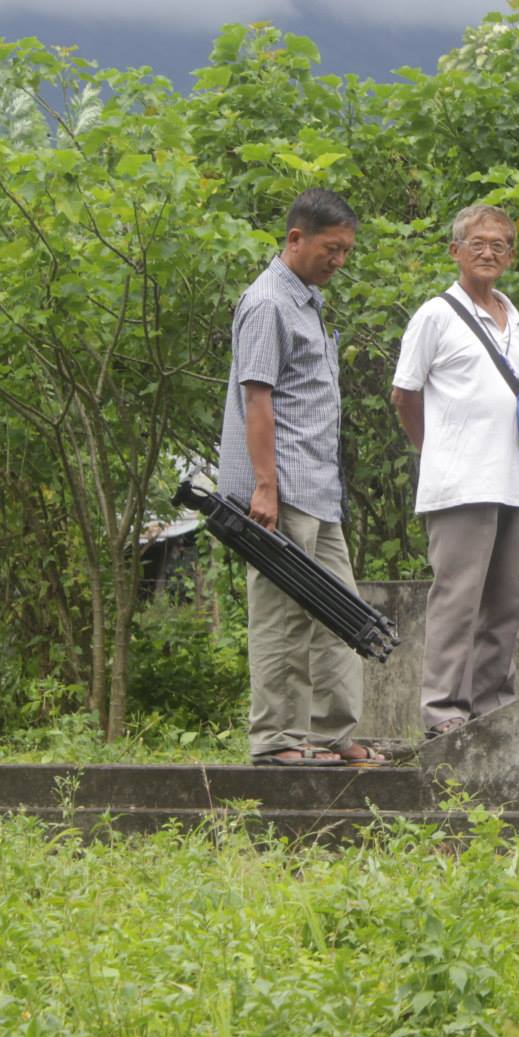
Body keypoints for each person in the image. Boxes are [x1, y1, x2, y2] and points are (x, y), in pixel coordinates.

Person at [215, 188, 385, 768]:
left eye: (346, 250)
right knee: (284, 616)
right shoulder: (267, 302)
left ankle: (332, 735)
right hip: (282, 490)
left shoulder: (306, 301)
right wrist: (264, 486)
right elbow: (256, 399)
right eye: (331, 248)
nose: (339, 260)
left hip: (319, 491)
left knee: (341, 611)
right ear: (296, 238)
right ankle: (278, 740)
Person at [391, 204, 519, 739]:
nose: (488, 253)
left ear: (511, 256)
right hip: (460, 484)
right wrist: (434, 452)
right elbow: (404, 394)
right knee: (457, 601)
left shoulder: (512, 314)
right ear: (455, 251)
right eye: (476, 243)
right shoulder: (435, 314)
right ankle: (443, 711)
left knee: (505, 604)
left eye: (499, 245)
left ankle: (494, 707)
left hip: (514, 481)